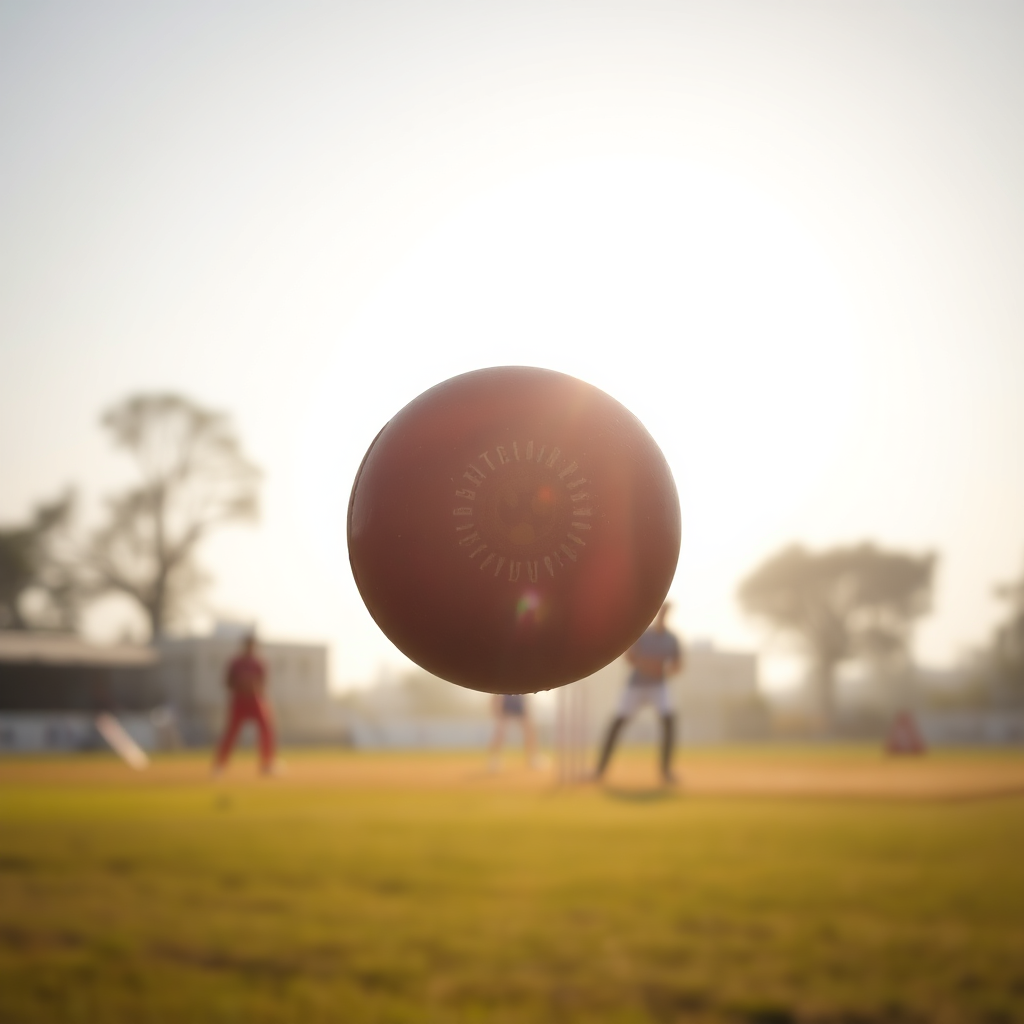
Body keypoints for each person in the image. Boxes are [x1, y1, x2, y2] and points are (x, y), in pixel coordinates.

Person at [594, 602, 684, 784]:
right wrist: (647, 665)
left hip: (659, 686)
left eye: (666, 612)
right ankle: (600, 770)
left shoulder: (672, 639)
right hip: (636, 686)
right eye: (661, 611)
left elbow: (678, 665)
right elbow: (628, 656)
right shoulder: (643, 634)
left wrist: (664, 671)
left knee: (669, 721)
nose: (663, 615)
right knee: (618, 722)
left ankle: (666, 771)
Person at [213, 633, 278, 776]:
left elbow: (264, 684)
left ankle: (267, 764)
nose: (251, 648)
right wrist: (241, 684)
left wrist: (254, 688)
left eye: (253, 645)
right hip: (239, 700)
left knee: (266, 729)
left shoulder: (259, 663)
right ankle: (220, 765)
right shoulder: (235, 663)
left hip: (256, 700)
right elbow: (227, 682)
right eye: (249, 645)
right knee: (231, 732)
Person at [488, 692, 543, 771]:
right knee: (500, 731)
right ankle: (494, 759)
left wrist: (527, 705)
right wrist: (496, 705)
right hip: (504, 696)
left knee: (530, 729)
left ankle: (533, 758)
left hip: (519, 696)